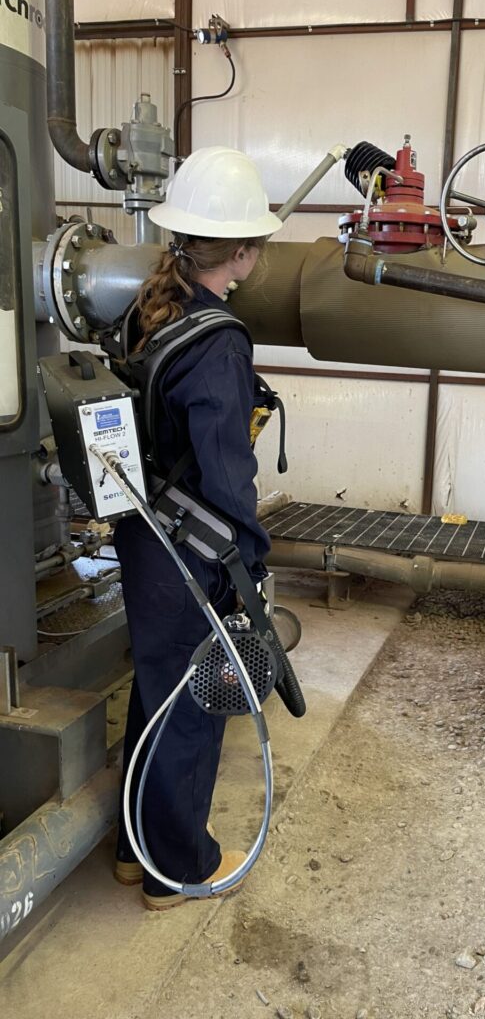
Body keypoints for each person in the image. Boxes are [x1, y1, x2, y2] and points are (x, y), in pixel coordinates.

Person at [112, 146, 283, 910]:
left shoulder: (148, 309)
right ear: (243, 253)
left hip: (145, 533)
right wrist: (249, 559)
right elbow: (226, 475)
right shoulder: (218, 342)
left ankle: (131, 849)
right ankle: (175, 868)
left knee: (157, 690)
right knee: (191, 705)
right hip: (192, 550)